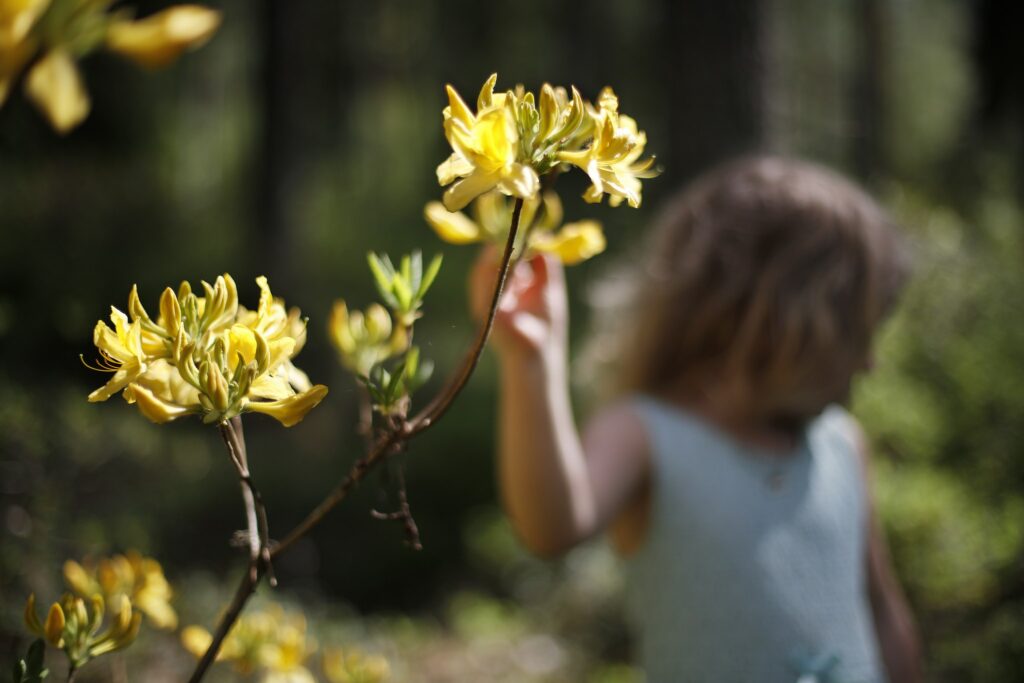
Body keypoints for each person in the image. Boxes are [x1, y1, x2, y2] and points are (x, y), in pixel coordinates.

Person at [469, 156, 923, 683]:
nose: (870, 362)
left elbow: (884, 612)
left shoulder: (843, 445)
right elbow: (551, 525)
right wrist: (532, 361)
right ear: (783, 321)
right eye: (858, 333)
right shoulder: (647, 433)